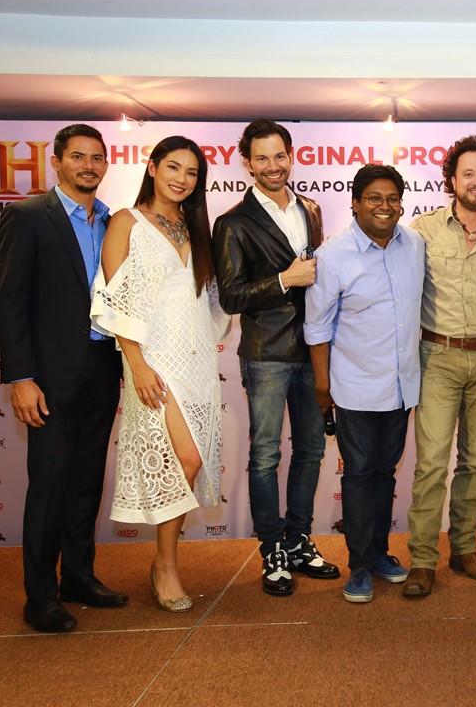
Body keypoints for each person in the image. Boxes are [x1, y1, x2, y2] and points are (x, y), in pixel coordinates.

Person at [0, 124, 127, 633]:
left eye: (96, 158)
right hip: (49, 377)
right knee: (50, 482)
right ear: (56, 162)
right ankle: (40, 596)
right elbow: (10, 302)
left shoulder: (113, 222)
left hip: (103, 366)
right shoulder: (29, 216)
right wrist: (21, 377)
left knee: (86, 480)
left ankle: (78, 577)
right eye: (78, 157)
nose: (88, 166)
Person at [91, 136, 230, 612]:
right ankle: (166, 565)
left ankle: (164, 562)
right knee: (182, 458)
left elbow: (210, 303)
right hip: (153, 361)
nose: (181, 179)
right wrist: (136, 364)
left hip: (199, 362)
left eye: (191, 173)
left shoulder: (195, 227)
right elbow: (114, 298)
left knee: (189, 463)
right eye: (173, 167)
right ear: (152, 168)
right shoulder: (126, 222)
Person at [212, 119, 339, 597]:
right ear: (246, 163)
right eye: (261, 158)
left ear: (292, 156)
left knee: (311, 451)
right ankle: (272, 550)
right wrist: (286, 280)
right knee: (265, 454)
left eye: (279, 156)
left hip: (313, 349)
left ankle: (299, 540)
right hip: (266, 354)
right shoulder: (232, 223)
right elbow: (231, 296)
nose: (272, 166)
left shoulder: (311, 208)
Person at [404, 135, 476, 597]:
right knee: (432, 462)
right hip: (437, 357)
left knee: (475, 461)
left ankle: (464, 549)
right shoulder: (422, 230)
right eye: (468, 173)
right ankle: (422, 559)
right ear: (452, 180)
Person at [304, 164, 425, 603]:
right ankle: (358, 566)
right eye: (374, 198)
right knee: (358, 474)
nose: (384, 206)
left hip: (401, 386)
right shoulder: (333, 255)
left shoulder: (414, 245)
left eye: (392, 198)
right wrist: (323, 389)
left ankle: (379, 554)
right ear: (355, 203)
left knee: (384, 473)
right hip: (354, 387)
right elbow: (317, 327)